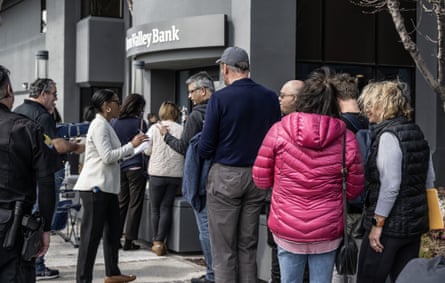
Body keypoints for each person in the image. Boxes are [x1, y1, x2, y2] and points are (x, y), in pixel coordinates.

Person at [252, 66, 364, 283]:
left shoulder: (278, 130)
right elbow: (354, 189)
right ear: (333, 102)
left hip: (287, 226)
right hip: (327, 230)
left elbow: (261, 179)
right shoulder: (346, 138)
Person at [198, 46, 281, 282]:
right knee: (248, 245)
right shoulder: (269, 97)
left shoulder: (220, 98)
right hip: (258, 176)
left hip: (226, 175)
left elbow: (205, 147)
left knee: (223, 250)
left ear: (225, 68)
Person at [356, 80, 435, 283]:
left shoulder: (388, 136)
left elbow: (390, 185)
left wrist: (377, 225)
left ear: (384, 105)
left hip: (389, 228)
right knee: (404, 279)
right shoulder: (416, 131)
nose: (366, 110)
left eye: (370, 104)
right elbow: (429, 179)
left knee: (368, 278)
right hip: (413, 227)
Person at [14, 78, 84, 281]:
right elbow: (57, 145)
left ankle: (27, 261)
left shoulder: (19, 110)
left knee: (26, 219)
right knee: (40, 218)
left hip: (23, 175)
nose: (56, 99)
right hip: (42, 175)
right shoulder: (42, 116)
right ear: (43, 94)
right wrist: (77, 147)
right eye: (53, 94)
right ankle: (38, 265)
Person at [73, 89, 147, 283]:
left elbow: (116, 154)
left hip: (107, 188)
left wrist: (135, 148)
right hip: (95, 188)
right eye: (116, 102)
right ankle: (83, 279)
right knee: (91, 238)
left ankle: (112, 272)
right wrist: (132, 144)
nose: (120, 105)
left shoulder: (107, 125)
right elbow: (107, 157)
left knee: (113, 232)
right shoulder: (99, 126)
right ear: (107, 106)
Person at [0, 65, 61, 282]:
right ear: (8, 89)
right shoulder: (29, 128)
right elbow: (47, 182)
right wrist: (45, 227)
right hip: (12, 230)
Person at [157, 71, 215, 283]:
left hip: (201, 180)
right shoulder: (220, 111)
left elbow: (184, 147)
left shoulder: (196, 116)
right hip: (221, 179)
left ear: (203, 91)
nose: (189, 96)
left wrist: (166, 137)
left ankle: (212, 275)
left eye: (191, 92)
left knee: (206, 230)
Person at [331, 72, 369, 283]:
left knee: (339, 265)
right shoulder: (374, 123)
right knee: (359, 265)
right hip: (370, 206)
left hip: (344, 204)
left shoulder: (339, 127)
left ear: (336, 98)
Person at [146, 101, 184, 256]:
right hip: (175, 174)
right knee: (166, 207)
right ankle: (163, 241)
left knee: (155, 208)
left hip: (156, 172)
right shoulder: (182, 129)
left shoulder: (154, 128)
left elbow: (147, 150)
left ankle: (157, 242)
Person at [111, 93, 148, 251]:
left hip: (119, 166)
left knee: (121, 203)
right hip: (136, 167)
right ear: (139, 107)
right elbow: (145, 145)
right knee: (135, 204)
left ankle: (115, 239)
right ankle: (130, 240)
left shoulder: (114, 122)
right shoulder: (140, 122)